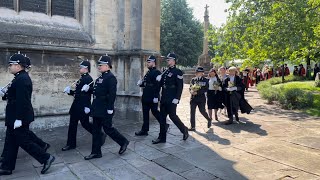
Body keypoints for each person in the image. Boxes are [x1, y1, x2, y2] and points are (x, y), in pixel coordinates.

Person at [0, 53, 55, 175]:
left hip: (19, 116)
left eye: (11, 64)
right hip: (14, 115)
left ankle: (46, 158)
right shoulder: (18, 77)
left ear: (18, 65)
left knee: (24, 141)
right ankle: (7, 166)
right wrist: (5, 95)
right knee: (10, 141)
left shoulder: (22, 79)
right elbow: (14, 96)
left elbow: (23, 101)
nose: (9, 67)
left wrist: (19, 118)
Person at [84, 54, 129, 160]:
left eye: (101, 65)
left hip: (105, 108)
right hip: (97, 107)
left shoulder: (111, 78)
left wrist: (110, 108)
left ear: (108, 66)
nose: (99, 67)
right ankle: (96, 152)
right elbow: (97, 91)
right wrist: (88, 89)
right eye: (99, 65)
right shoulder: (101, 77)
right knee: (96, 131)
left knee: (108, 129)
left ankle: (123, 141)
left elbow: (112, 94)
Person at [61, 60, 106, 151]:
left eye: (81, 67)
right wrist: (69, 91)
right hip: (76, 105)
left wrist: (87, 106)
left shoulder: (88, 79)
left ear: (85, 68)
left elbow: (87, 94)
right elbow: (78, 93)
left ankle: (99, 134)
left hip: (82, 106)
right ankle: (71, 144)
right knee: (72, 125)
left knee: (85, 124)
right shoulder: (81, 78)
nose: (79, 69)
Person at [152, 53, 189, 144]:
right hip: (164, 98)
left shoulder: (178, 72)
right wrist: (158, 80)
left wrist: (177, 98)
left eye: (169, 60)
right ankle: (162, 138)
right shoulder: (165, 71)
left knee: (173, 116)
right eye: (167, 60)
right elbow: (161, 85)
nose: (167, 61)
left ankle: (184, 129)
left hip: (172, 98)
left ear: (174, 61)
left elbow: (180, 86)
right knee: (162, 118)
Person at [135, 55, 169, 136]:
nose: (147, 63)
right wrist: (141, 83)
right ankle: (145, 130)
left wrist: (156, 97)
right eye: (147, 62)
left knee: (155, 112)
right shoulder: (148, 72)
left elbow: (157, 86)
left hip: (152, 97)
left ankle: (164, 124)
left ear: (153, 63)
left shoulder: (157, 72)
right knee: (145, 114)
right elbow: (146, 83)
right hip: (146, 96)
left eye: (149, 62)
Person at [188, 67, 212, 131]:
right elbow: (190, 87)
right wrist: (191, 91)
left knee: (202, 111)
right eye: (197, 72)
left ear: (202, 73)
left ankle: (209, 119)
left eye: (200, 73)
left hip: (201, 99)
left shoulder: (205, 80)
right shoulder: (193, 80)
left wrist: (197, 92)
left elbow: (206, 89)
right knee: (192, 112)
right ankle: (193, 126)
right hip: (193, 99)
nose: (199, 74)